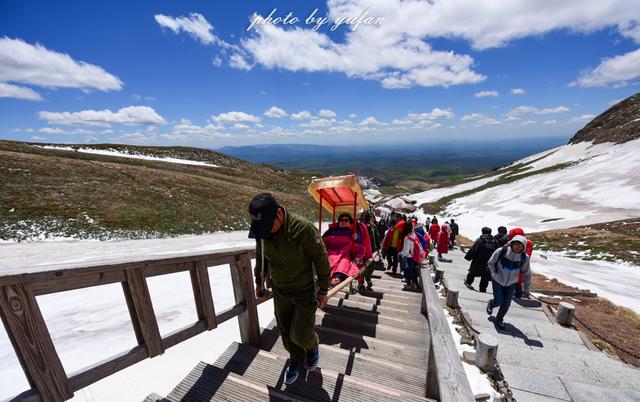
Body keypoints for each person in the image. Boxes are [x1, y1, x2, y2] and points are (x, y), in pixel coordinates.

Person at [249, 193, 330, 385]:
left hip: (304, 291)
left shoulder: (302, 229)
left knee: (301, 334)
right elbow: (261, 255)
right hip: (280, 290)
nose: (266, 231)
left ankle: (312, 347)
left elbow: (321, 259)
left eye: (269, 225)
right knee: (285, 335)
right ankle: (296, 359)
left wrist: (324, 290)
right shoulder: (263, 230)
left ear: (279, 214)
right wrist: (259, 281)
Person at [486, 235, 532, 330]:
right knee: (499, 301)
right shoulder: (501, 251)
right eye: (516, 244)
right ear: (512, 243)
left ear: (523, 246)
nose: (518, 246)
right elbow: (491, 263)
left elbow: (526, 273)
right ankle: (491, 303)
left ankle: (499, 319)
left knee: (506, 303)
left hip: (512, 283)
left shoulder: (524, 257)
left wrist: (527, 289)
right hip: (498, 280)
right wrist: (494, 274)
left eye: (520, 245)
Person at [322, 213, 371, 287]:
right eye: (341, 220)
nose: (343, 222)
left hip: (345, 253)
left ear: (349, 222)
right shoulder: (331, 231)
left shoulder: (353, 232)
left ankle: (337, 277)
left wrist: (358, 254)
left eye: (346, 220)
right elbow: (324, 239)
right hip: (331, 251)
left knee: (344, 261)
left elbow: (359, 246)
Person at [464, 227, 499, 292]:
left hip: (478, 261)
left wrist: (468, 257)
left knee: (472, 272)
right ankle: (482, 289)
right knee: (485, 277)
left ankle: (468, 283)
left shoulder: (480, 240)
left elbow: (473, 250)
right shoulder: (495, 241)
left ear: (482, 232)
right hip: (489, 262)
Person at [507, 227, 534, 298]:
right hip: (522, 266)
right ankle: (518, 295)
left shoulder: (514, 243)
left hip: (513, 267)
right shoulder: (529, 243)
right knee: (518, 282)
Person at [401, 221, 424, 290]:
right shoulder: (414, 235)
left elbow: (406, 250)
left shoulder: (407, 238)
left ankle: (409, 284)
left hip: (408, 257)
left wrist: (402, 255)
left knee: (408, 271)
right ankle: (414, 284)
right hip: (414, 256)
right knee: (412, 270)